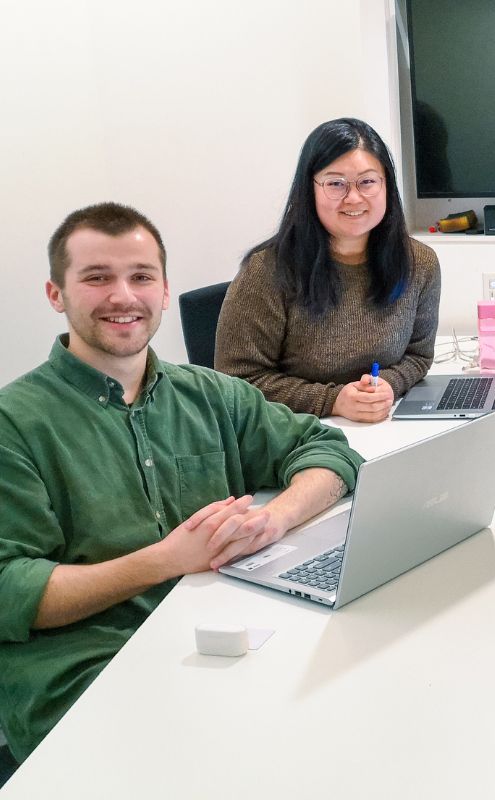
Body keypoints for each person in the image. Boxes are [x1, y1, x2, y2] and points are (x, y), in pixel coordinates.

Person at [0, 203, 364, 762]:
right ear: (57, 295)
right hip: (87, 671)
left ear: (165, 291)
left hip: (220, 630)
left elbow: (327, 451)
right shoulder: (14, 423)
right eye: (97, 278)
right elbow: (10, 589)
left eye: (141, 277)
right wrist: (167, 559)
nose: (123, 295)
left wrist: (275, 518)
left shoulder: (209, 393)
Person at [215, 117, 441, 422]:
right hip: (294, 434)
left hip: (381, 430)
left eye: (367, 181)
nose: (354, 197)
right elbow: (236, 380)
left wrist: (388, 385)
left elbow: (419, 356)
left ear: (386, 185)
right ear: (310, 190)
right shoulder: (267, 271)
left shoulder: (419, 263)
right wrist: (333, 400)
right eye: (336, 183)